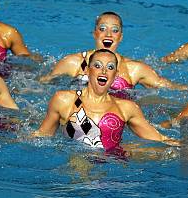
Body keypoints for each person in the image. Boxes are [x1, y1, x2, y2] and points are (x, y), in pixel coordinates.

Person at [35, 49, 174, 156]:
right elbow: (43, 136)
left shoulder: (126, 107)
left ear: (115, 75)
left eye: (110, 67)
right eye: (97, 65)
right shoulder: (64, 100)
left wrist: (186, 146)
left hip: (115, 163)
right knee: (80, 164)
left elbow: (159, 139)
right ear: (88, 70)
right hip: (75, 161)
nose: (104, 71)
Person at [39, 11, 187, 91]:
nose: (108, 34)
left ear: (120, 37)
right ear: (94, 33)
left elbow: (169, 87)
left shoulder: (133, 68)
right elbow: (41, 85)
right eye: (102, 29)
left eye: (114, 30)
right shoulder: (73, 62)